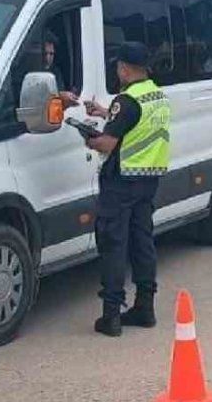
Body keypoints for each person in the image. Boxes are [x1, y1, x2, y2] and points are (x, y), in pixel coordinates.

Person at [81, 41, 172, 338]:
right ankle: (145, 307)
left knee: (113, 243)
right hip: (148, 180)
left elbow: (107, 144)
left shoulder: (127, 99)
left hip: (122, 181)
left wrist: (89, 138)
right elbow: (135, 122)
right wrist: (105, 112)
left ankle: (111, 315)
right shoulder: (155, 95)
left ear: (123, 68)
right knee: (142, 243)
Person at [43, 35, 80, 107]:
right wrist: (60, 95)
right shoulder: (33, 71)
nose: (48, 58)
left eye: (51, 54)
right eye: (45, 53)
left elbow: (60, 89)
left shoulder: (56, 72)